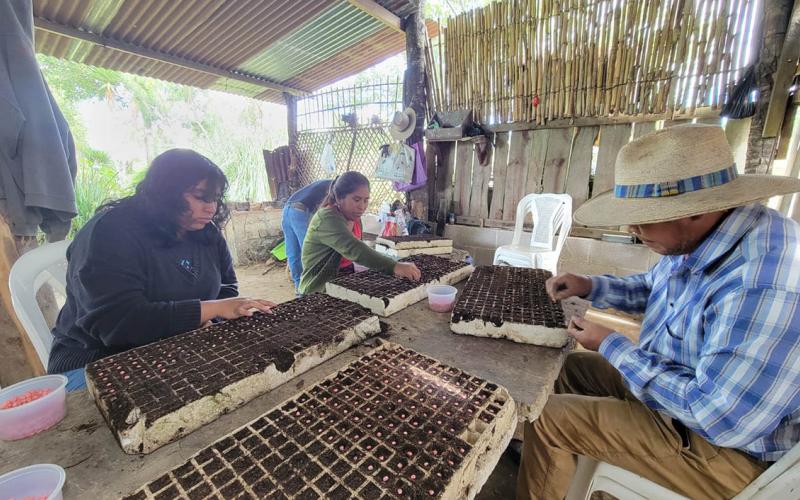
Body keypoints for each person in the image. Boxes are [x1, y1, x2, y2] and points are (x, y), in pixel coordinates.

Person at [516, 124, 800, 499]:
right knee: (568, 370)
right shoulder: (705, 236)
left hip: (732, 452)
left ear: (695, 212)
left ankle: (550, 452)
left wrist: (613, 345)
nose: (632, 228)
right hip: (683, 389)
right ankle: (559, 472)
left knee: (550, 418)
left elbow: (719, 417)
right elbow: (654, 288)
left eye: (644, 217)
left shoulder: (765, 280)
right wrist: (590, 286)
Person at [47, 149, 276, 392]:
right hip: (99, 360)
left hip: (176, 347)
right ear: (166, 193)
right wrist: (210, 310)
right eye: (201, 197)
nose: (211, 208)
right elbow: (119, 322)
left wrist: (209, 318)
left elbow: (225, 289)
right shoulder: (111, 233)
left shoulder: (204, 232)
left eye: (215, 198)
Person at [299, 171, 421, 294]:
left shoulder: (354, 217)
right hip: (318, 289)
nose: (362, 207)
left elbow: (355, 256)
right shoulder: (327, 218)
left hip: (342, 283)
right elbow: (355, 249)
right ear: (339, 198)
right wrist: (395, 266)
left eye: (366, 200)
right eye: (356, 200)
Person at [281, 179, 332, 290]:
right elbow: (322, 210)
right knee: (309, 250)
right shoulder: (334, 187)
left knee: (293, 252)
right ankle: (311, 286)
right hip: (299, 211)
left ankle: (299, 287)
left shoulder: (324, 183)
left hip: (286, 210)